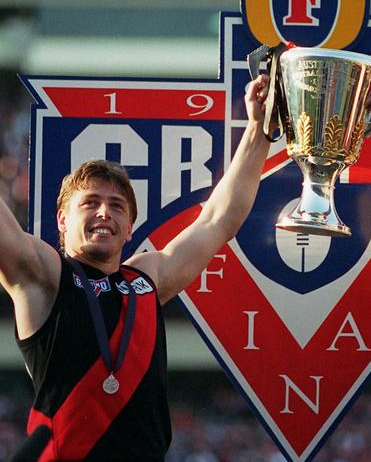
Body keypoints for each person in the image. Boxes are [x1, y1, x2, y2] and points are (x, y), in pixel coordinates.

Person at [1, 74, 273, 461]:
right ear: (61, 220)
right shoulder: (45, 277)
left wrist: (259, 129)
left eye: (116, 206)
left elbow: (218, 220)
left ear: (130, 226)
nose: (103, 213)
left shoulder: (147, 279)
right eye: (90, 202)